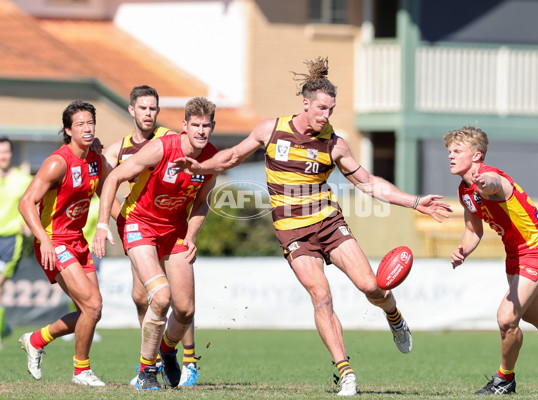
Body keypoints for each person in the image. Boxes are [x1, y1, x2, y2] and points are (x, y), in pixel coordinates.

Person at [172, 57, 452, 397]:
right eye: (321, 108)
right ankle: (346, 372)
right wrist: (199, 166)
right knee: (321, 297)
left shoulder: (334, 144)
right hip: (292, 233)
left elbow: (369, 184)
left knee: (372, 287)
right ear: (305, 104)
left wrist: (414, 201)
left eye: (331, 110)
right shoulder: (270, 130)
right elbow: (230, 158)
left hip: (329, 224)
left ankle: (393, 315)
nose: (326, 116)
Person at [444, 126, 538, 395]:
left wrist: (485, 183)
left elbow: (495, 184)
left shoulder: (491, 177)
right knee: (536, 314)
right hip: (515, 251)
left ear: (476, 155)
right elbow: (473, 230)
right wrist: (463, 251)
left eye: (457, 151)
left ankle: (505, 379)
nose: (451, 156)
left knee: (506, 319)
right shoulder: (465, 191)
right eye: (449, 151)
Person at [93, 96, 218, 391]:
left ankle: (167, 349)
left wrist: (191, 236)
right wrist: (101, 224)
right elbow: (112, 180)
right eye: (195, 125)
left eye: (206, 126)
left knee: (185, 310)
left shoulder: (211, 158)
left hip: (175, 231)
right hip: (139, 224)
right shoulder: (162, 147)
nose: (201, 132)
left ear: (213, 127)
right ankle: (146, 372)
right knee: (159, 297)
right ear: (184, 126)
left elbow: (202, 202)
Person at [17, 100, 112, 386]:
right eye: (80, 124)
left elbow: (108, 194)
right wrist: (43, 240)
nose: (87, 128)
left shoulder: (96, 159)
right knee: (92, 305)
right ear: (68, 130)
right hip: (54, 241)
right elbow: (26, 203)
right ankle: (81, 371)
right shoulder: (58, 162)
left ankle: (36, 340)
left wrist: (129, 222)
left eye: (90, 123)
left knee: (91, 311)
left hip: (78, 241)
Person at [0, 137, 32, 350]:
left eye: (7, 152)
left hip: (11, 240)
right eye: (0, 152)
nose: (4, 156)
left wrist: (28, 222)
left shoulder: (22, 180)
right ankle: (2, 327)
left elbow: (33, 202)